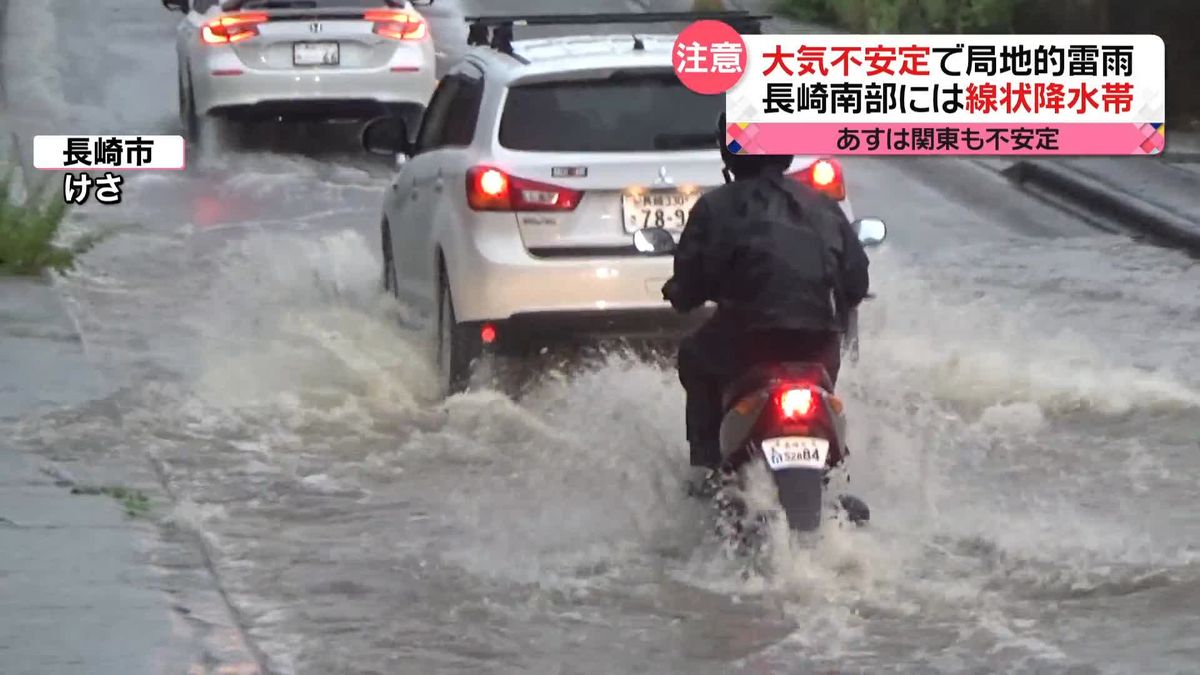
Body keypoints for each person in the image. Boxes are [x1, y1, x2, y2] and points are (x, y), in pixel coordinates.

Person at [662, 113, 871, 495]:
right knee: (828, 375)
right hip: (817, 343)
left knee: (693, 353)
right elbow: (857, 280)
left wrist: (680, 292)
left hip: (743, 343)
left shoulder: (714, 207)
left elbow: (688, 286)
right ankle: (835, 471)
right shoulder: (823, 205)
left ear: (729, 153)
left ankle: (707, 466)